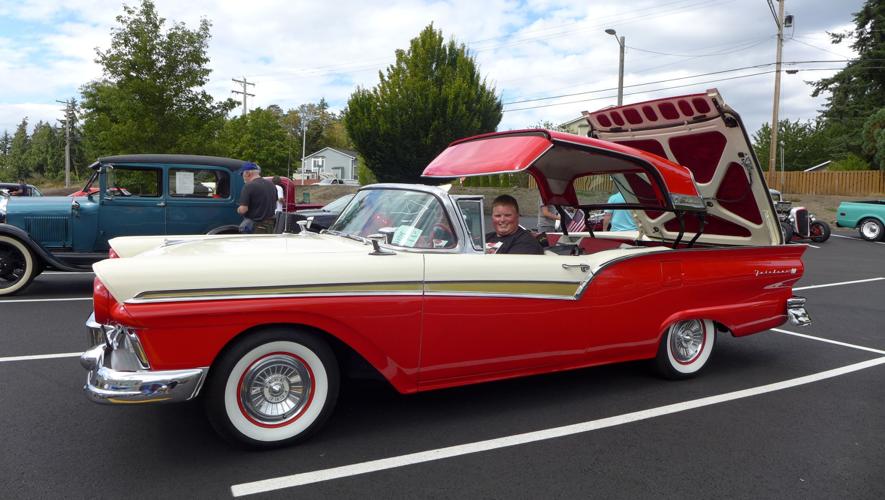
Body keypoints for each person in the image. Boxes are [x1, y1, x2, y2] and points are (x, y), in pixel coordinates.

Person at [237, 162, 277, 234]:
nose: (242, 177)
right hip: (271, 226)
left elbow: (243, 209)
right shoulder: (272, 185)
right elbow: (275, 205)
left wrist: (238, 209)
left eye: (242, 174)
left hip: (255, 227)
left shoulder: (248, 186)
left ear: (247, 173)